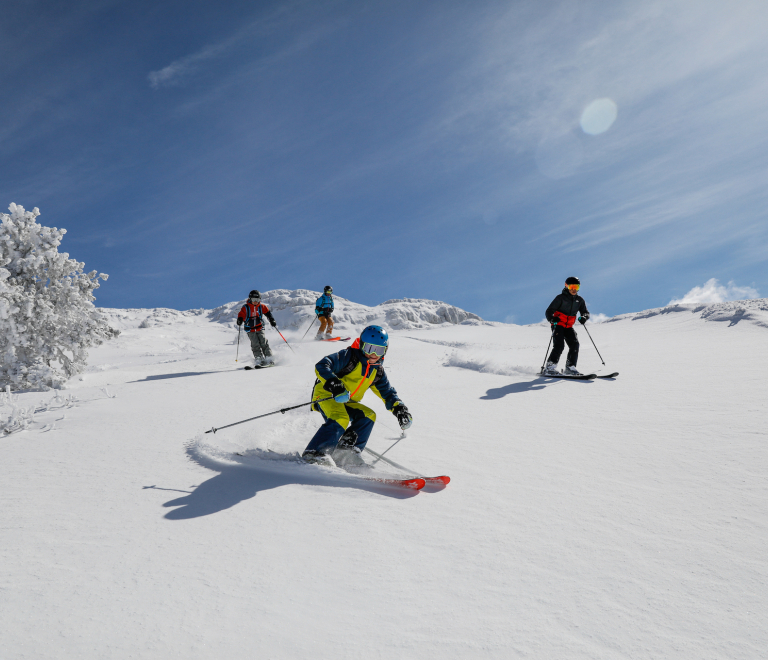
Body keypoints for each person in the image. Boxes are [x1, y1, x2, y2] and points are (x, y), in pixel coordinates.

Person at [302, 325, 413, 467]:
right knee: (340, 417)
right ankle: (314, 454)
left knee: (368, 415)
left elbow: (388, 393)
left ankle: (347, 452)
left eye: (379, 350)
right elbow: (322, 365)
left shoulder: (377, 371)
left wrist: (400, 410)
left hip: (347, 400)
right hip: (327, 394)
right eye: (369, 348)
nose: (373, 354)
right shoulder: (349, 357)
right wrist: (335, 385)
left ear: (385, 351)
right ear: (361, 345)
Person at [543, 276, 590, 375]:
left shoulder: (579, 300)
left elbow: (585, 312)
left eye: (576, 287)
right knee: (559, 345)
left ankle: (570, 368)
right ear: (566, 286)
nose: (574, 289)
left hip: (569, 326)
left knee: (575, 345)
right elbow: (549, 311)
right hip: (558, 324)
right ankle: (550, 367)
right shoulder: (560, 298)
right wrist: (552, 318)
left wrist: (584, 317)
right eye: (572, 287)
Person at [236, 290, 277, 366]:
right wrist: (240, 320)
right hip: (250, 329)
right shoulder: (246, 307)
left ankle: (269, 359)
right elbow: (241, 314)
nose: (255, 302)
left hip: (260, 327)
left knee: (264, 343)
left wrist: (272, 320)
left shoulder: (261, 307)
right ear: (250, 299)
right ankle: (260, 360)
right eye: (253, 300)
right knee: (255, 345)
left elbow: (268, 313)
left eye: (257, 300)